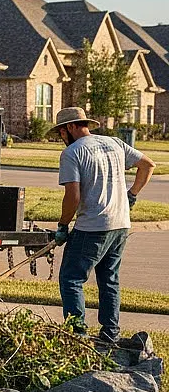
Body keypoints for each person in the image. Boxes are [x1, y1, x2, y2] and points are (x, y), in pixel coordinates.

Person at [53, 106, 155, 344]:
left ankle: (76, 335)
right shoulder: (115, 143)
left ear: (70, 127)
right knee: (109, 279)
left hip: (92, 227)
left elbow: (73, 196)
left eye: (60, 132)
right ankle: (110, 334)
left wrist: (63, 225)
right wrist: (132, 195)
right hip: (120, 224)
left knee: (72, 278)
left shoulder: (72, 153)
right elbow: (148, 165)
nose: (60, 138)